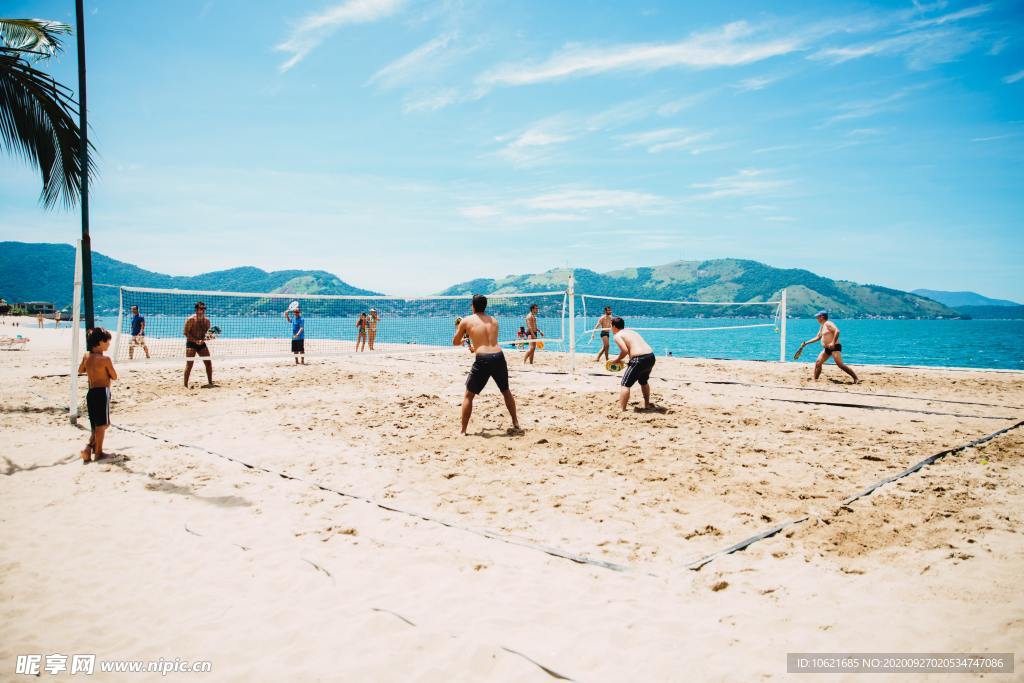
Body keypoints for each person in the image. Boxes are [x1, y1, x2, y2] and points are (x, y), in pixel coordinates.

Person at [453, 294, 520, 436]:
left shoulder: (466, 321)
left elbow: (455, 342)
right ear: (485, 306)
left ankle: (463, 431)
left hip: (483, 358)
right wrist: (475, 347)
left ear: (473, 305)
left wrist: (461, 332)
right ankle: (516, 423)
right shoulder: (494, 320)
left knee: (468, 396)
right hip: (498, 356)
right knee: (506, 391)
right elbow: (488, 342)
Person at [78, 327, 117, 463]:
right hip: (102, 392)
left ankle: (89, 448)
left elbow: (81, 369)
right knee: (103, 425)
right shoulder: (105, 359)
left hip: (91, 392)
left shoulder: (86, 356)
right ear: (100, 342)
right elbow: (114, 376)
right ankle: (98, 453)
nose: (109, 344)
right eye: (107, 342)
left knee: (96, 425)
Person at [795, 310, 858, 383]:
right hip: (827, 348)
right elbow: (818, 337)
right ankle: (815, 380)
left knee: (840, 365)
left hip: (835, 347)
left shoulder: (828, 323)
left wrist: (833, 342)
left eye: (817, 317)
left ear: (822, 317)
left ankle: (855, 378)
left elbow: (837, 331)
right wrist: (806, 343)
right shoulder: (822, 326)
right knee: (818, 362)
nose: (817, 319)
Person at [610, 317, 657, 412]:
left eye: (611, 326)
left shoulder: (617, 335)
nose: (611, 328)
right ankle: (647, 404)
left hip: (639, 359)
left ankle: (622, 410)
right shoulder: (631, 331)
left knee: (625, 384)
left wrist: (617, 359)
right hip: (650, 356)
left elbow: (625, 350)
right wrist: (627, 361)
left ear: (614, 326)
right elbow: (634, 348)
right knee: (643, 381)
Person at [183, 301, 214, 388]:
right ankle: (185, 385)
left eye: (204, 308)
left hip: (202, 343)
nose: (203, 310)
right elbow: (185, 333)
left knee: (208, 363)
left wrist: (208, 338)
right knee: (189, 364)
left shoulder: (207, 321)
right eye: (201, 308)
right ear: (196, 309)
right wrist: (195, 340)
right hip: (191, 343)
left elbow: (208, 335)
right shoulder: (191, 319)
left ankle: (210, 383)